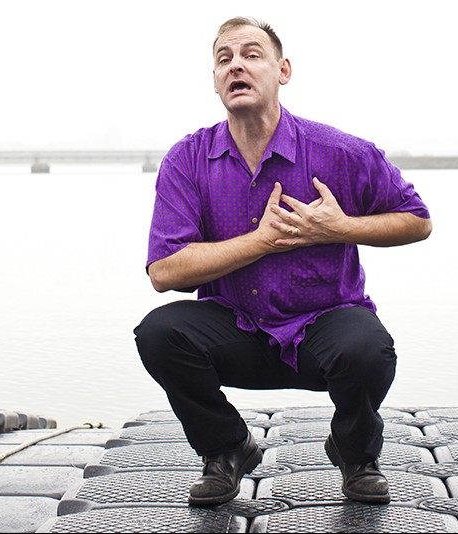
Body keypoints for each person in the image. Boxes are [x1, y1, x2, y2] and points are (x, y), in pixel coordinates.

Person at [134, 16, 432, 506]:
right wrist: (261, 241)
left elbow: (417, 220)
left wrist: (341, 229)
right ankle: (227, 448)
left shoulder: (340, 151)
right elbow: (164, 272)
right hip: (235, 328)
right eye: (224, 59)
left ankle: (355, 452)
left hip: (325, 325)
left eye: (251, 55)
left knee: (369, 350)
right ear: (215, 80)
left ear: (283, 70)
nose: (236, 66)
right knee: (159, 334)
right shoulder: (187, 159)